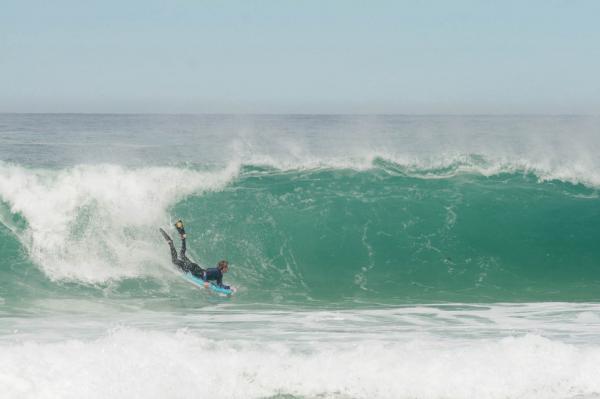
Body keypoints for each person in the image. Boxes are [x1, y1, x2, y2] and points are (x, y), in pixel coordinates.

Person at [164, 220, 231, 289]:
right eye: (227, 267)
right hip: (191, 268)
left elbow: (219, 284)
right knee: (175, 260)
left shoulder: (220, 275)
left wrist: (228, 287)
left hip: (194, 268)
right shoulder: (216, 271)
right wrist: (205, 281)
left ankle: (183, 237)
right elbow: (205, 272)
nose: (228, 269)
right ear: (223, 268)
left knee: (182, 255)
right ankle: (171, 243)